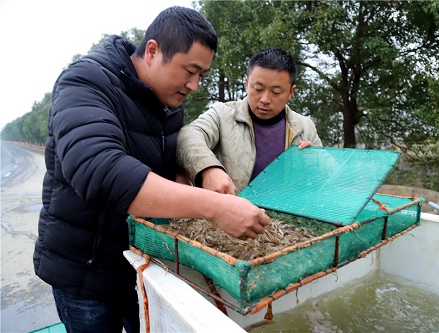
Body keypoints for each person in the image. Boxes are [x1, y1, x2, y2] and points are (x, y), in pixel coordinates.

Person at [33, 6, 269, 333]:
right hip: (86, 276)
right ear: (153, 51)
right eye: (190, 71)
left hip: (142, 266)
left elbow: (164, 166)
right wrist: (215, 208)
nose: (195, 85)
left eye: (202, 75)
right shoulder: (86, 82)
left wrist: (201, 175)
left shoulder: (169, 105)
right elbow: (99, 170)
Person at [176, 47, 322, 195]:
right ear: (247, 83)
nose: (265, 99)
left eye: (276, 92)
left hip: (287, 215)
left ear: (291, 92)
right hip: (231, 213)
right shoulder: (222, 115)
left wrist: (317, 161)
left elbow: (328, 177)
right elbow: (188, 135)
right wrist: (208, 169)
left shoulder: (306, 127)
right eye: (258, 89)